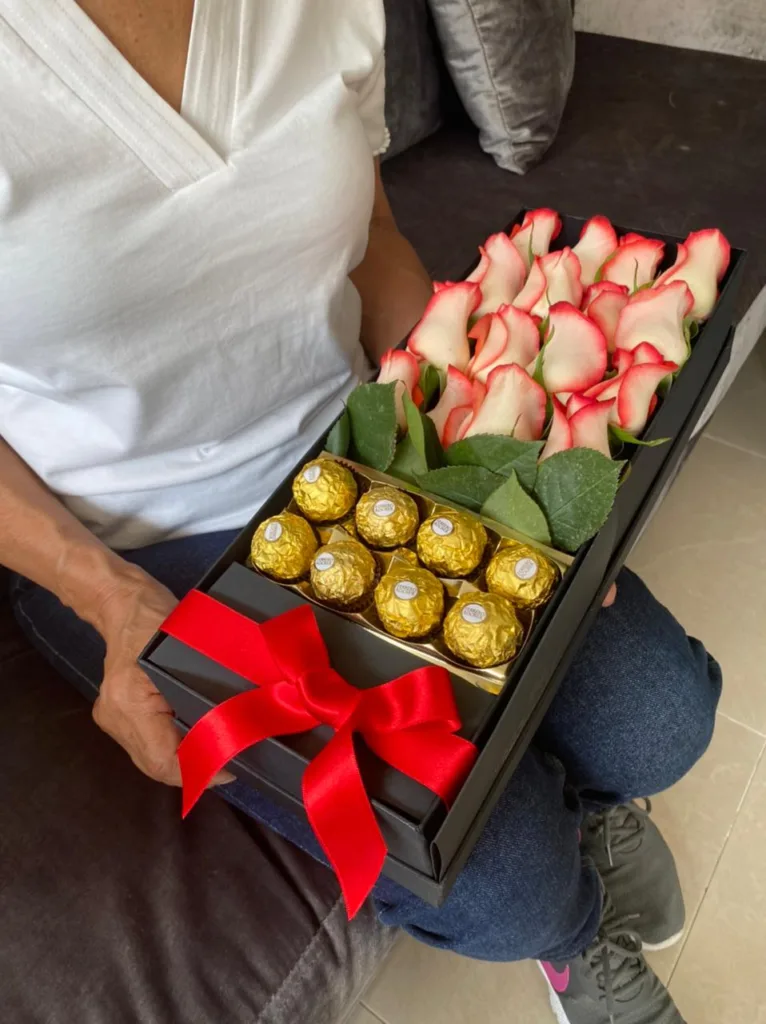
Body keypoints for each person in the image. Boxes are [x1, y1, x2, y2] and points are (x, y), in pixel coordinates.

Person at [0, 3, 720, 1022]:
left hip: (365, 446)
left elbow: (369, 238)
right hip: (142, 539)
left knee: (659, 717)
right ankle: (571, 936)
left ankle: (589, 811)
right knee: (505, 881)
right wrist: (104, 596)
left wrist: (479, 426)